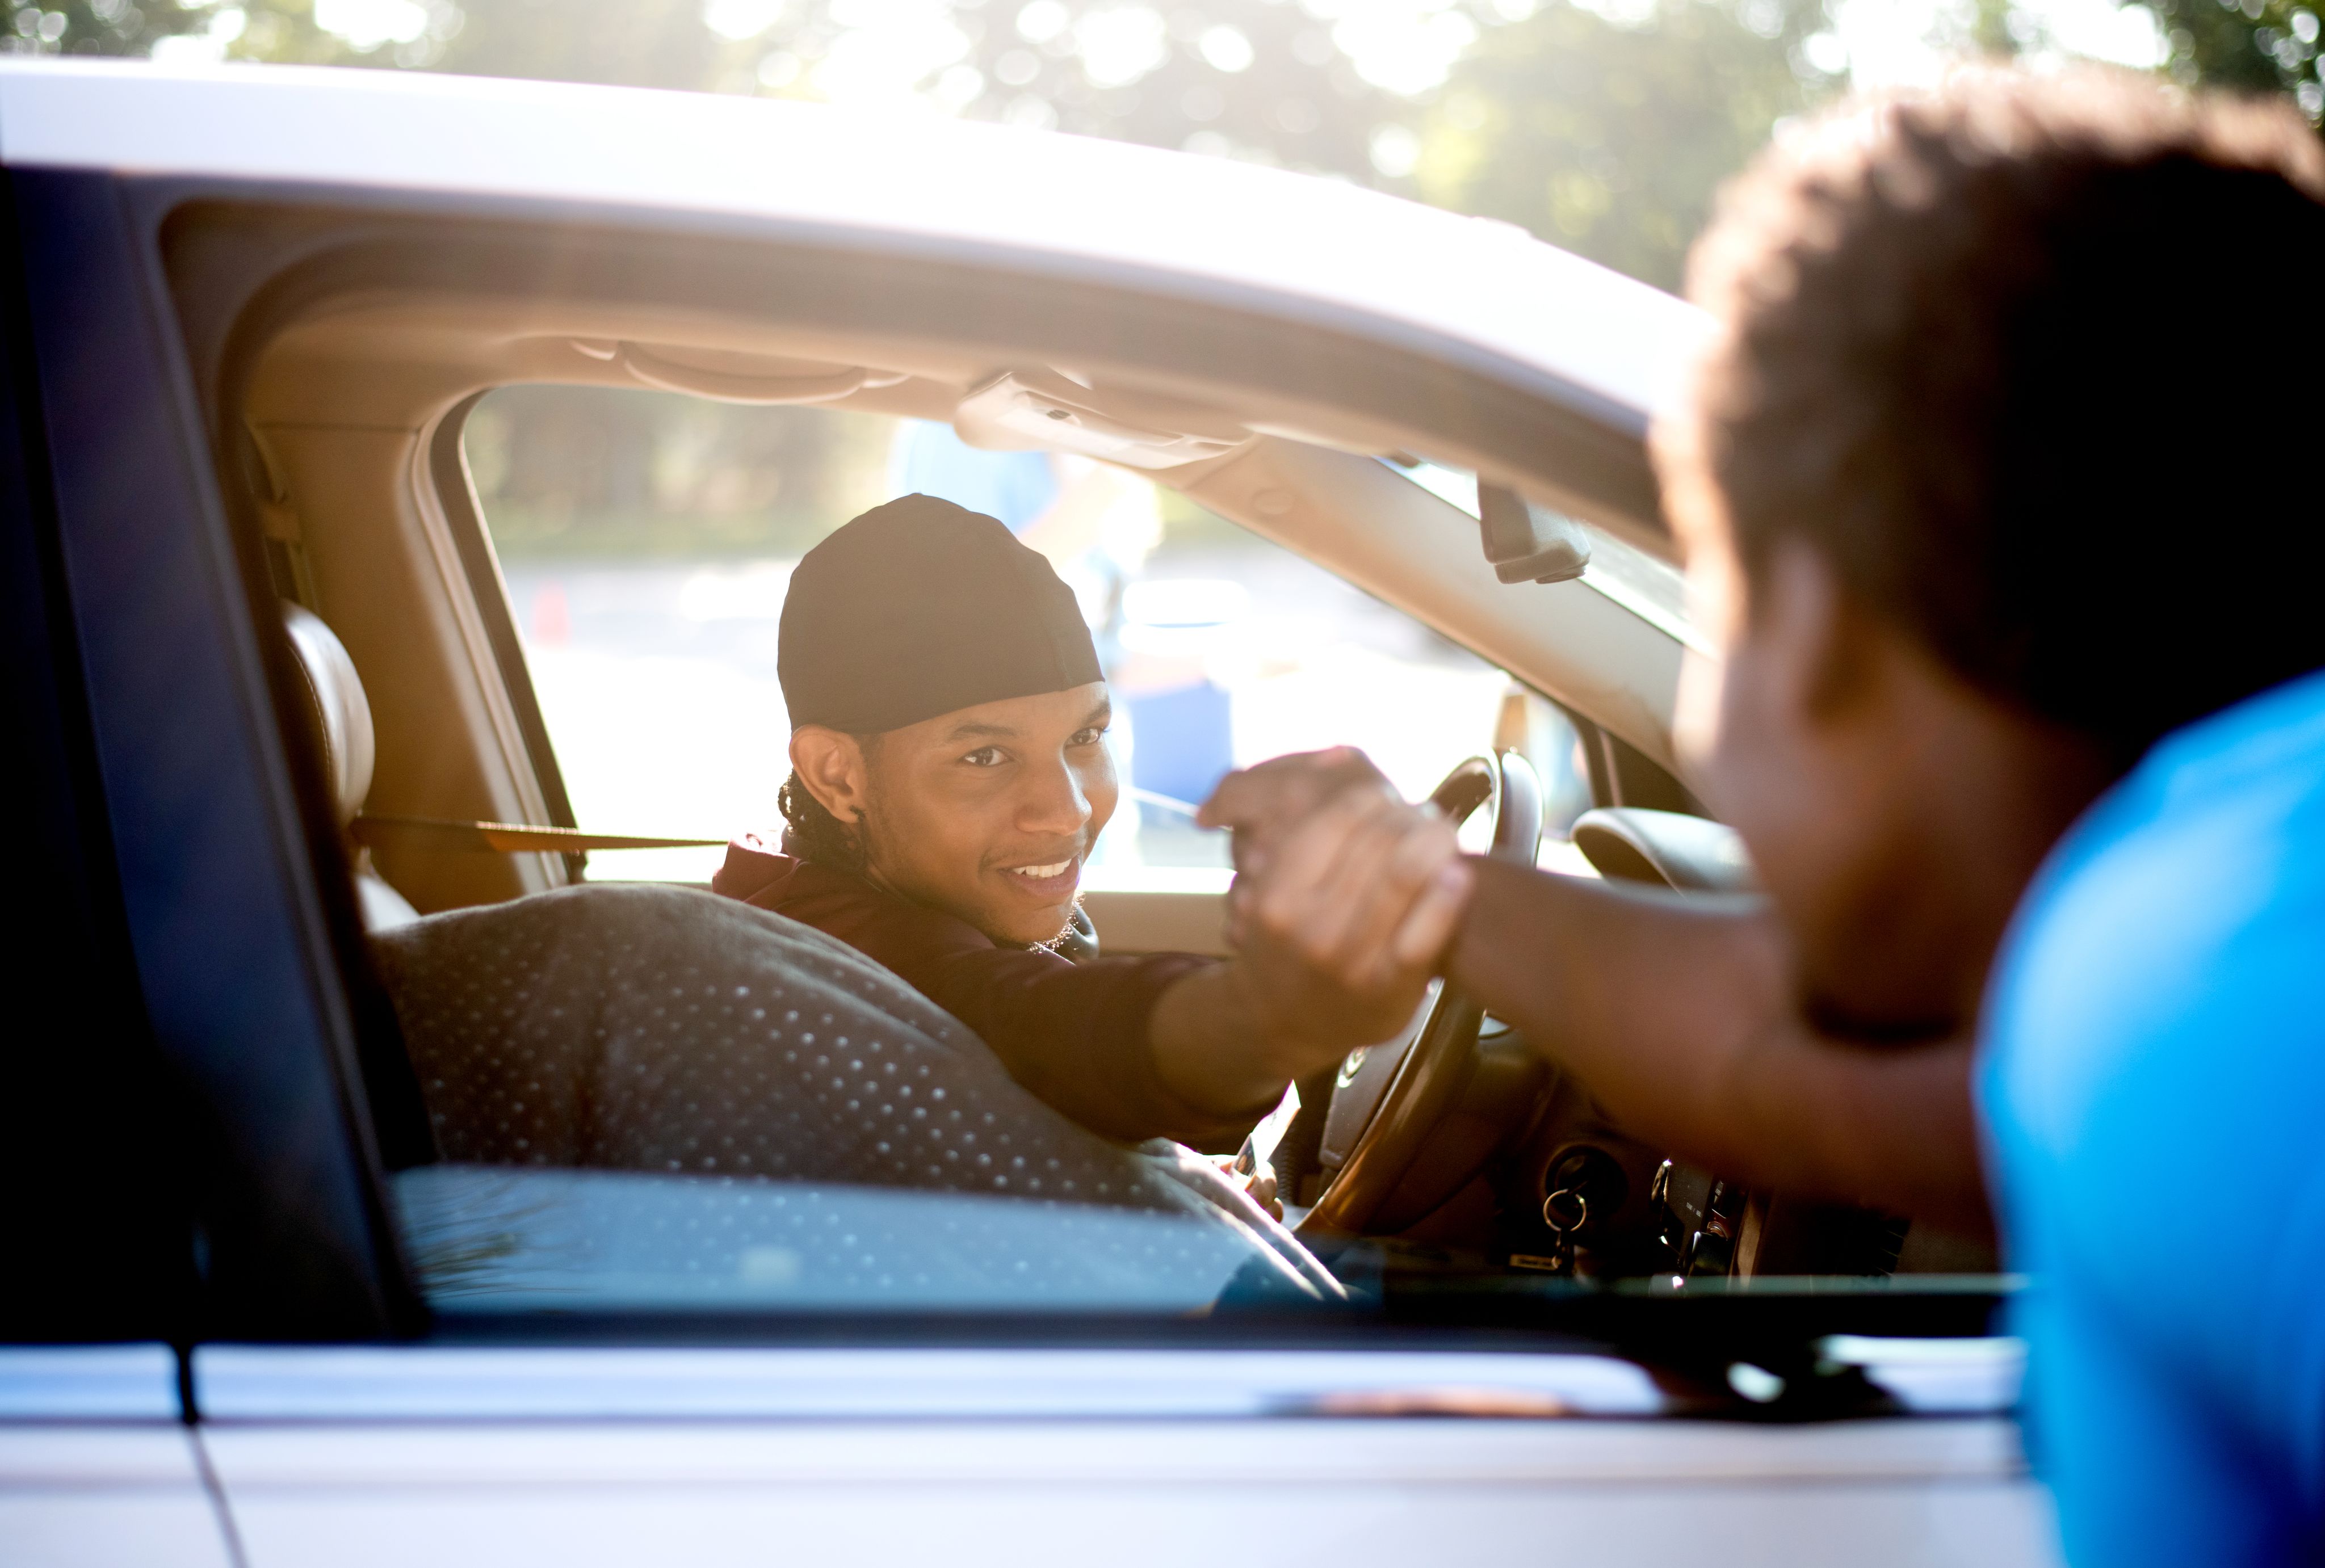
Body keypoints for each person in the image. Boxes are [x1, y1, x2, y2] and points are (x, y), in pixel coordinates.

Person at [1206, 68, 2324, 1564]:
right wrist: (1440, 892)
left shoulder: (2203, 1009)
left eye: (1714, 608)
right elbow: (1787, 1066)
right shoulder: (2197, 936)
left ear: (1812, 626)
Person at [711, 493, 1469, 1168]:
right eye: (985, 756)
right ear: (836, 774)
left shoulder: (829, 881)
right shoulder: (840, 965)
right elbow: (1043, 1024)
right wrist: (1276, 1013)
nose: (1068, 808)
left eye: (1086, 737)